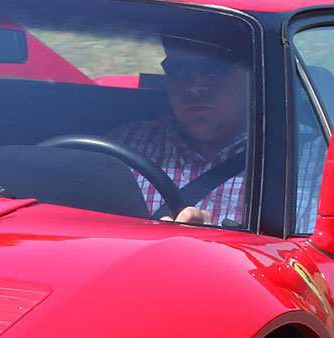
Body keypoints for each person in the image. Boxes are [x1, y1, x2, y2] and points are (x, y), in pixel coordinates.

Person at [108, 35, 253, 225]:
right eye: (179, 70)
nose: (194, 87)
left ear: (255, 75)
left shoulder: (295, 166)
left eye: (214, 70)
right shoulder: (122, 146)